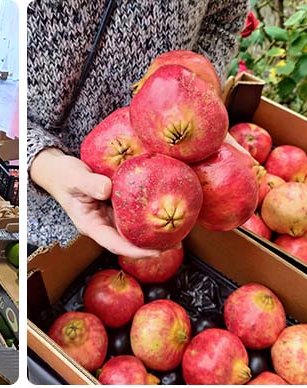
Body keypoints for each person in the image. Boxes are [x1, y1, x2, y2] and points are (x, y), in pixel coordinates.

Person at [26, 0, 248, 256]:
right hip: (29, 211)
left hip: (158, 202)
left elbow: (223, 20)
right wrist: (39, 158)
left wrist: (198, 94)